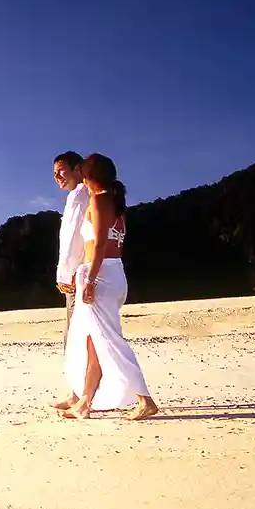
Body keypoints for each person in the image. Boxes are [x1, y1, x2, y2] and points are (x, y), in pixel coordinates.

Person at [58, 153, 159, 421]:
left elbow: (101, 244)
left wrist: (89, 280)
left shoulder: (100, 199)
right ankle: (85, 403)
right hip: (108, 273)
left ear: (89, 175)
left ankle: (144, 399)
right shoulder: (112, 201)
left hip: (101, 275)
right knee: (94, 342)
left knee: (109, 341)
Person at [48, 151, 91, 411]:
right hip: (73, 277)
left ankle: (81, 396)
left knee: (77, 338)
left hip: (79, 276)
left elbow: (78, 240)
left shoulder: (84, 195)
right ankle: (77, 393)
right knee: (73, 337)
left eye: (61, 171)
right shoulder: (74, 197)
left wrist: (70, 274)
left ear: (78, 169)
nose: (56, 177)